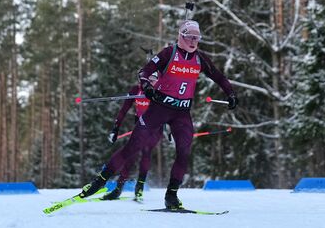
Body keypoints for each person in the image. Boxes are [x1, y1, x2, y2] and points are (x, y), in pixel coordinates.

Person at [76, 19, 238, 209]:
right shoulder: (169, 53)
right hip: (159, 109)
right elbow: (145, 71)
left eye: (197, 38)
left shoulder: (200, 58)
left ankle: (171, 196)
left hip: (182, 113)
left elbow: (218, 76)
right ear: (181, 36)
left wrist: (231, 93)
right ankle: (99, 182)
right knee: (132, 147)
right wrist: (146, 86)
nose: (194, 41)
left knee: (184, 152)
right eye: (190, 37)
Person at [102, 73, 160, 201]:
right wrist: (115, 129)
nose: (150, 83)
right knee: (130, 155)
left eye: (154, 80)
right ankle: (118, 190)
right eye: (147, 80)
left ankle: (139, 189)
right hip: (140, 125)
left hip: (156, 127)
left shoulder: (161, 90)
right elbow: (123, 110)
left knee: (146, 152)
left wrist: (170, 130)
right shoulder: (136, 90)